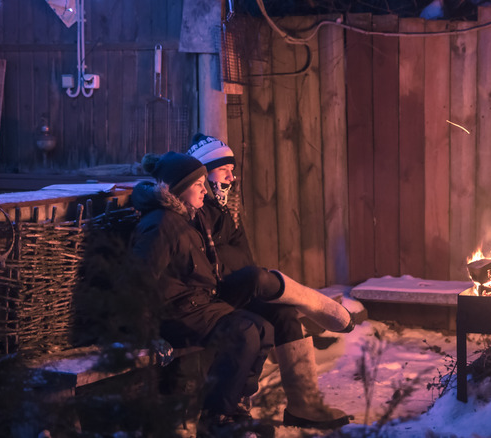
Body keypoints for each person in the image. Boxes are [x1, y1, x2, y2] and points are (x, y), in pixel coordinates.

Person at [186, 134, 354, 429]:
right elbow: (208, 269)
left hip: (233, 292)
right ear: (204, 173)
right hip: (210, 298)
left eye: (232, 170)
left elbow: (244, 260)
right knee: (256, 278)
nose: (232, 177)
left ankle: (304, 406)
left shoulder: (227, 213)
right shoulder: (194, 214)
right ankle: (311, 300)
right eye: (224, 169)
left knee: (285, 315)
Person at [128, 151, 274, 436]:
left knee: (263, 328)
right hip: (174, 313)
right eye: (198, 185)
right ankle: (215, 420)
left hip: (196, 306)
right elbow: (137, 282)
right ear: (180, 189)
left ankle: (232, 410)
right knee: (244, 331)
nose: (205, 190)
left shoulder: (183, 219)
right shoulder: (161, 225)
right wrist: (148, 335)